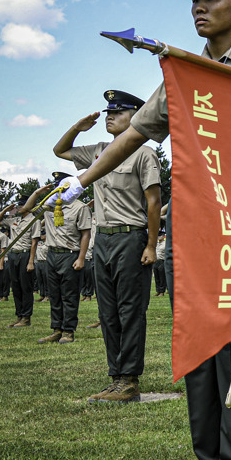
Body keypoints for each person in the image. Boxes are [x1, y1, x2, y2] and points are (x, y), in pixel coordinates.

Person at [49, 0, 231, 460]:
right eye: (192, 1)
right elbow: (136, 133)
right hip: (197, 231)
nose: (198, 9)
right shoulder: (181, 71)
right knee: (196, 344)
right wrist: (83, 179)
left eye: (210, 0)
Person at [53, 89, 162, 401]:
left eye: (119, 112)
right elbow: (60, 151)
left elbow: (153, 202)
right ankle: (115, 376)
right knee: (108, 312)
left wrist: (151, 245)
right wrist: (77, 127)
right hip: (103, 239)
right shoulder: (99, 150)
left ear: (137, 117)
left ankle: (130, 379)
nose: (110, 116)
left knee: (130, 311)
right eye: (108, 112)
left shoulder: (143, 152)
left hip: (131, 237)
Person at [28, 173, 92, 345]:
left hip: (70, 254)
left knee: (69, 295)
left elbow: (86, 234)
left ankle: (68, 331)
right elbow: (29, 210)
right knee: (54, 294)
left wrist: (81, 258)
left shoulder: (80, 207)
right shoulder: (49, 206)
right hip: (52, 254)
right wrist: (37, 194)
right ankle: (57, 329)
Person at [0, 197, 37, 328]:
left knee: (26, 287)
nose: (18, 207)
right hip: (13, 254)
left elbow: (34, 242)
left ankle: (26, 317)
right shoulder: (15, 220)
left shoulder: (34, 220)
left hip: (25, 254)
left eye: (21, 205)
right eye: (17, 205)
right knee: (16, 287)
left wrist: (31, 261)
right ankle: (19, 316)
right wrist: (5, 210)